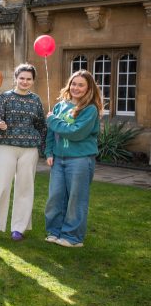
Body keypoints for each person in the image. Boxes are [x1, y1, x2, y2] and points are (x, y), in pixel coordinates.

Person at [0, 64, 47, 241]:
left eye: (29, 79)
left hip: (29, 149)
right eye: (22, 78)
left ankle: (19, 227)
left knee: (25, 188)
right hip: (5, 146)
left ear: (33, 81)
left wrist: (42, 148)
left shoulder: (36, 100)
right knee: (1, 186)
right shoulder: (4, 98)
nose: (25, 81)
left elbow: (41, 126)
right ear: (16, 79)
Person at [44, 70, 102, 248]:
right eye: (73, 84)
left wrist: (53, 121)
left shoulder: (90, 109)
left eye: (81, 85)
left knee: (76, 198)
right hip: (59, 159)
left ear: (88, 88)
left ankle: (73, 237)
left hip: (80, 159)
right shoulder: (61, 106)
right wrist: (49, 152)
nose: (75, 88)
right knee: (55, 197)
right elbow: (51, 134)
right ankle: (55, 231)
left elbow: (75, 132)